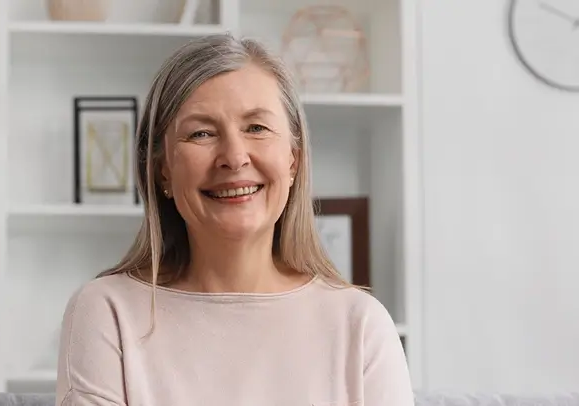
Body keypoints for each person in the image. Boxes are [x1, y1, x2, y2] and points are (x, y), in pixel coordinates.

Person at [55, 33, 414, 406]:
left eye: (256, 128)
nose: (234, 156)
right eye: (202, 133)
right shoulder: (106, 312)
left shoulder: (361, 325)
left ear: (293, 159)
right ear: (162, 170)